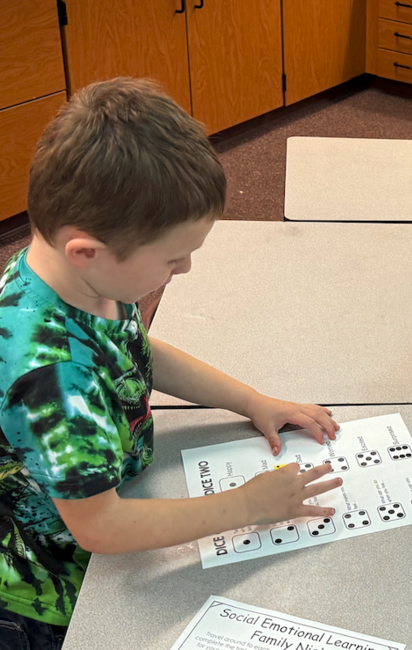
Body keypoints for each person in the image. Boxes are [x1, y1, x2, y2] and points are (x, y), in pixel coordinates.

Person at [0, 79, 342, 649]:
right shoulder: (49, 373)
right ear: (88, 250)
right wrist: (246, 505)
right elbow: (99, 528)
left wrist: (252, 401)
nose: (183, 270)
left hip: (112, 498)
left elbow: (136, 352)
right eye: (172, 257)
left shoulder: (78, 278)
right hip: (52, 587)